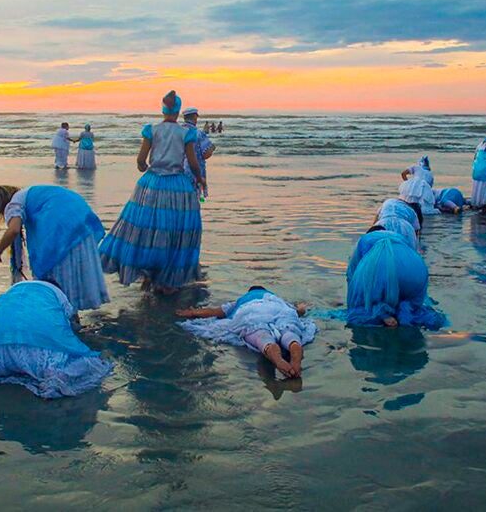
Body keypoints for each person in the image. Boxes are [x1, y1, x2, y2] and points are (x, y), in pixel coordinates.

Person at [0, 280, 114, 400]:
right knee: (85, 364)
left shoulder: (12, 292)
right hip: (37, 350)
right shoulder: (58, 295)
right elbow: (71, 325)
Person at [99, 90, 205, 293]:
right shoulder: (186, 133)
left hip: (152, 183)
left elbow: (141, 160)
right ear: (178, 111)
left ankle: (147, 274)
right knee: (174, 231)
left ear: (163, 109)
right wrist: (200, 179)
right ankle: (165, 280)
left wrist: (144, 168)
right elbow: (192, 163)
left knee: (145, 229)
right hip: (178, 186)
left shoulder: (151, 130)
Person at [0, 185, 109, 310]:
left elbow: (14, 230)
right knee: (71, 278)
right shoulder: (31, 194)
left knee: (53, 281)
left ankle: (67, 318)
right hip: (81, 218)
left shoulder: (15, 202)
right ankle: (80, 314)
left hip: (61, 227)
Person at [176, 286, 315, 378]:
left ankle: (277, 359)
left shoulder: (240, 301)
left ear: (249, 292)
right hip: (279, 310)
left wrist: (192, 312)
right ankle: (295, 361)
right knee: (289, 332)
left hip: (251, 311)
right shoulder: (275, 299)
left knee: (261, 334)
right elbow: (299, 311)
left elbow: (213, 312)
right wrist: (303, 306)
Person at [346, 227, 446, 329]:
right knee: (411, 305)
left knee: (364, 305)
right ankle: (405, 319)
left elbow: (354, 276)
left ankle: (384, 316)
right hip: (416, 268)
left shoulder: (365, 240)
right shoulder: (399, 238)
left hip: (383, 267)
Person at [182, 107, 215, 198]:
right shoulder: (198, 134)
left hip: (177, 173)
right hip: (194, 172)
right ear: (194, 117)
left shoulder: (177, 131)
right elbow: (206, 154)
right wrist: (212, 148)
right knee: (194, 200)